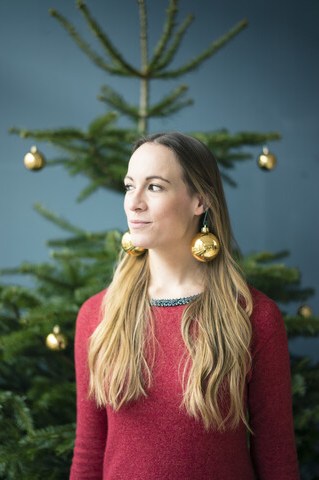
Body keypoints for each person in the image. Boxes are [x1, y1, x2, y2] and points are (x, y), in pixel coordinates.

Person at [70, 132, 300, 480]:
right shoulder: (97, 316)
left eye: (155, 187)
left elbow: (277, 458)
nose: (134, 203)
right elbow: (89, 452)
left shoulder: (255, 317)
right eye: (130, 186)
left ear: (200, 201)